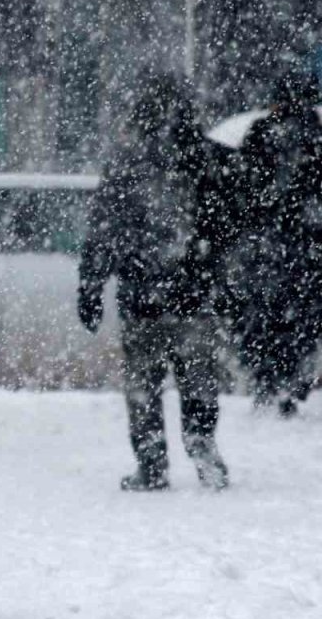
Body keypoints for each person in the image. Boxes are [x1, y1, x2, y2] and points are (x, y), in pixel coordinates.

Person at [78, 73, 229, 492]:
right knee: (198, 380)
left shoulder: (127, 164)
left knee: (143, 385)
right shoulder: (206, 160)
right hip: (193, 294)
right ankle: (201, 444)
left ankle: (151, 463)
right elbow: (227, 228)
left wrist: (90, 286)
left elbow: (103, 232)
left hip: (142, 293)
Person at [233, 69, 322, 418]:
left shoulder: (260, 135)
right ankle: (293, 379)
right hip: (313, 245)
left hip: (267, 245)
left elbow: (241, 188)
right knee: (304, 317)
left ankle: (265, 378)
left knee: (263, 315)